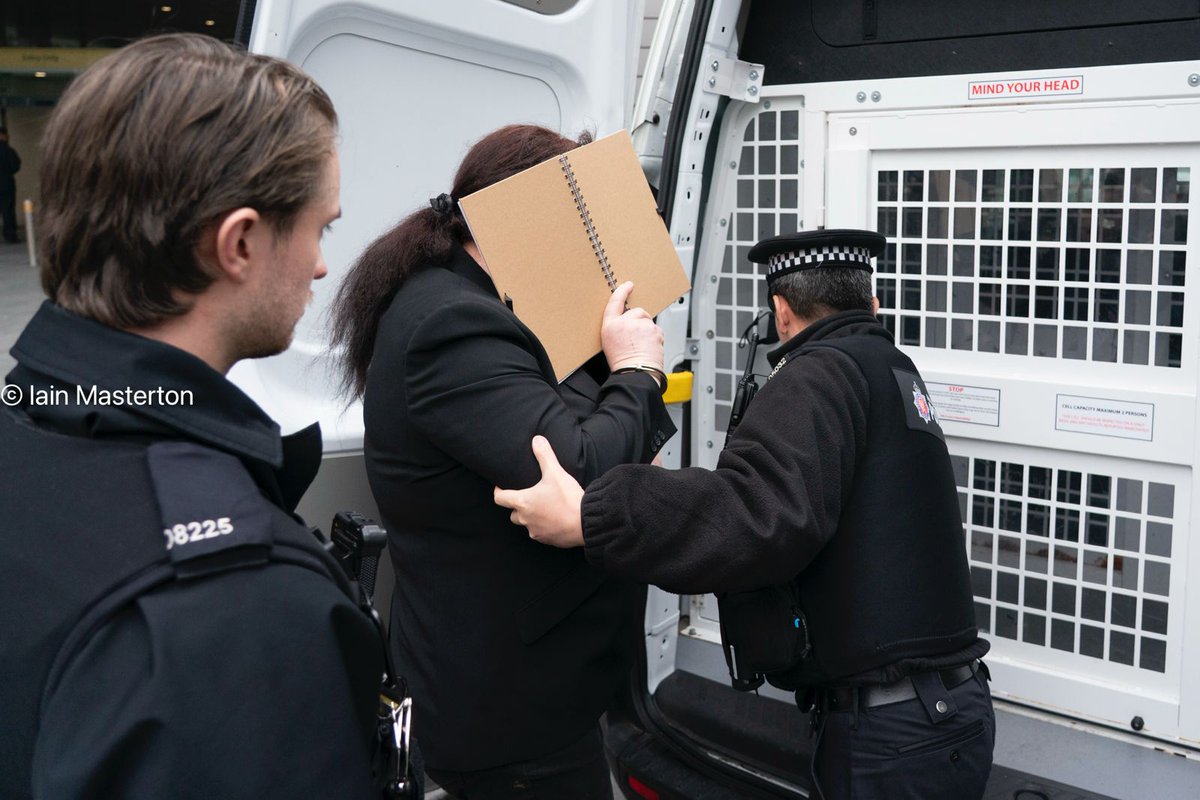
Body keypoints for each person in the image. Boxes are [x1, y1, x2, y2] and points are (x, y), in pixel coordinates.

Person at [0, 34, 393, 799]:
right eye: (320, 228)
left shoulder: (31, 422)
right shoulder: (239, 608)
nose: (321, 264)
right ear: (239, 242)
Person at [496, 229, 996, 800]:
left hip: (894, 735)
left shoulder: (818, 374)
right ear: (872, 304)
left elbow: (756, 514)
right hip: (947, 714)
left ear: (781, 312)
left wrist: (593, 516)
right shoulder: (894, 371)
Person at [329, 124, 675, 799]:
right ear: (531, 219)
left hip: (537, 685)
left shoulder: (488, 302)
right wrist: (638, 372)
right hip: (512, 713)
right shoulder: (452, 322)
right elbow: (577, 467)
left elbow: (571, 418)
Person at [0, 125, 20, 242]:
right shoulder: (8, 150)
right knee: (8, 211)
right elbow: (15, 165)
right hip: (6, 185)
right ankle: (9, 234)